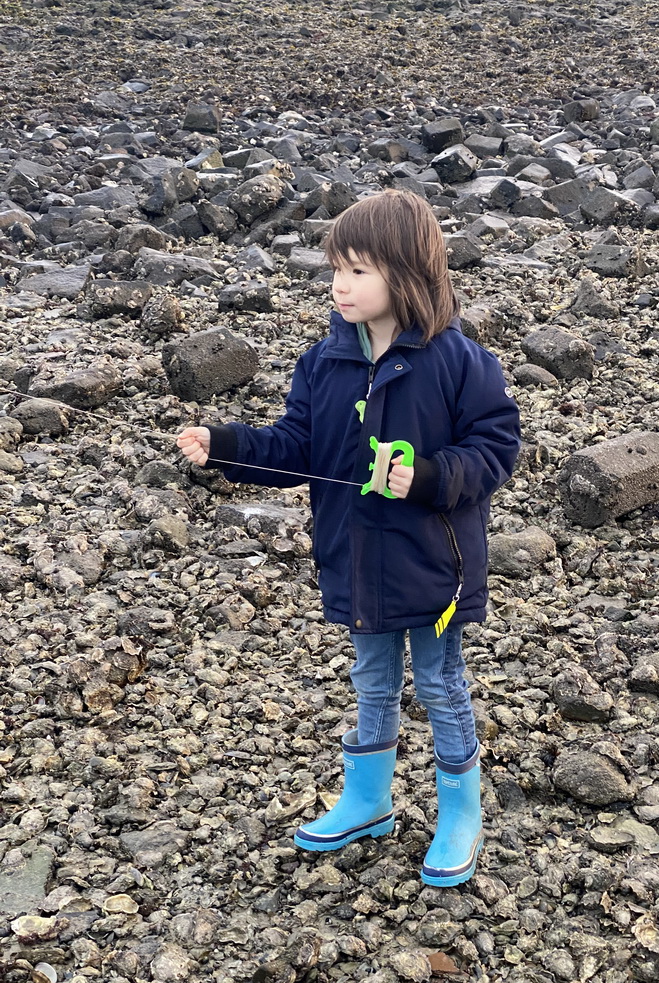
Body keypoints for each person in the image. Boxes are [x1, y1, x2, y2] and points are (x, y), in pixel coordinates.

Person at [177, 189, 521, 887]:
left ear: (409, 273)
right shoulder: (323, 363)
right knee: (370, 679)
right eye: (336, 267)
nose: (340, 283)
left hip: (433, 566)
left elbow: (496, 449)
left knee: (439, 682)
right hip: (355, 558)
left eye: (359, 269)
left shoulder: (458, 361)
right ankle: (368, 800)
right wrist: (224, 445)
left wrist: (425, 476)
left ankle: (461, 811)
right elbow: (296, 446)